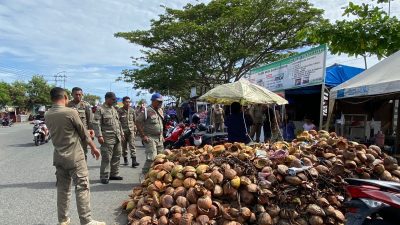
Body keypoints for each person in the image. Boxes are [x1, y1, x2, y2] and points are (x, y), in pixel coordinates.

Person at [45, 87, 105, 225]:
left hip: (59, 157)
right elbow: (84, 134)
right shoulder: (70, 112)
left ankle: (63, 219)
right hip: (75, 157)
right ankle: (86, 220)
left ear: (51, 99)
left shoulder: (47, 114)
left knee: (63, 189)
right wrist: (94, 148)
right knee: (82, 187)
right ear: (66, 97)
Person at [93, 92, 124, 184]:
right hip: (107, 137)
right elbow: (96, 123)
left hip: (117, 137)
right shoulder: (100, 109)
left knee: (117, 156)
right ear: (107, 99)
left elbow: (118, 123)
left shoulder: (114, 109)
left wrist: (121, 133)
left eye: (115, 99)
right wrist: (99, 135)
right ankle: (104, 176)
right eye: (113, 99)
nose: (114, 101)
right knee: (106, 157)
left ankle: (114, 174)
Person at [136, 93, 164, 175]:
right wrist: (143, 136)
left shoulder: (160, 110)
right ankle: (144, 175)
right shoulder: (146, 110)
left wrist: (162, 135)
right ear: (153, 101)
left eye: (161, 102)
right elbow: (137, 122)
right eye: (158, 101)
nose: (160, 103)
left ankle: (155, 176)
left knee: (161, 158)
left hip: (159, 138)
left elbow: (160, 123)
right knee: (151, 158)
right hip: (150, 137)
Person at [67, 87, 94, 160]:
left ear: (82, 94)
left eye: (80, 94)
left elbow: (90, 120)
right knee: (71, 153)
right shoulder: (67, 104)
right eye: (76, 94)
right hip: (70, 133)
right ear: (72, 94)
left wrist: (90, 132)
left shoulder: (86, 105)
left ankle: (83, 168)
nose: (78, 96)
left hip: (83, 133)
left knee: (83, 152)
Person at [117, 96, 140, 168]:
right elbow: (118, 122)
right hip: (123, 132)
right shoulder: (119, 111)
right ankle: (125, 158)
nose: (128, 103)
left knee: (132, 145)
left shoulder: (132, 110)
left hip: (131, 131)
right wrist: (120, 132)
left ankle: (134, 161)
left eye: (129, 102)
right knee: (124, 147)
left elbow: (135, 120)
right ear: (123, 102)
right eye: (126, 102)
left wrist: (135, 129)